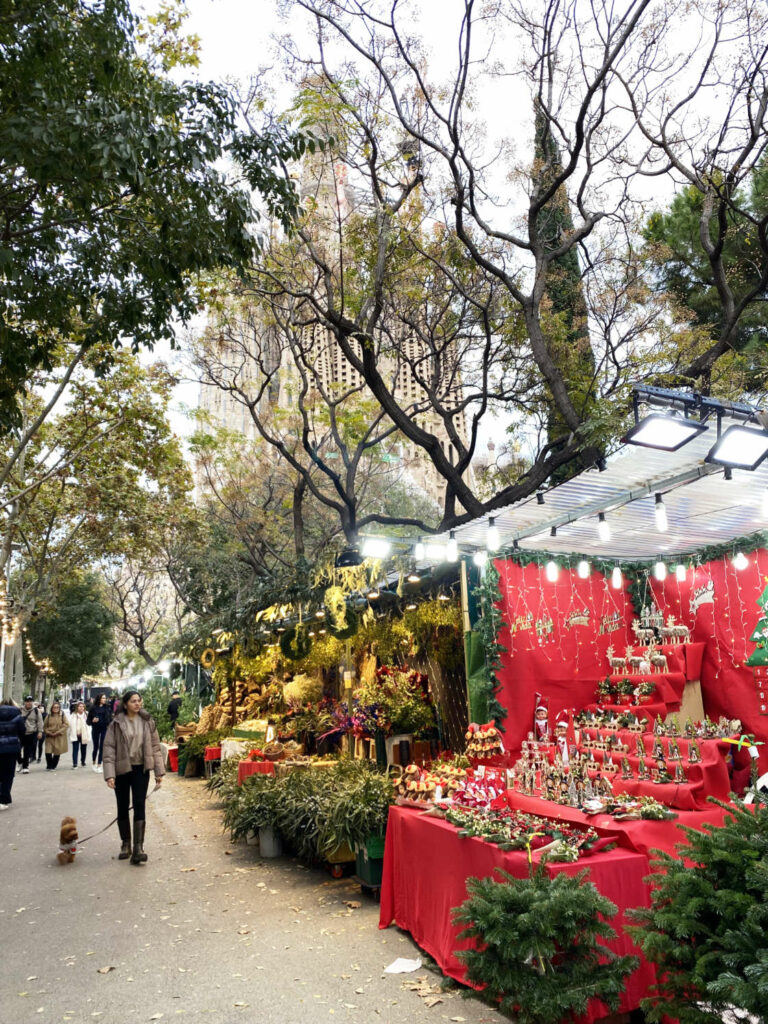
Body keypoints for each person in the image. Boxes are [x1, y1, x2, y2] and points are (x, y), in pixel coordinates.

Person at [103, 691, 164, 864]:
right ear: (125, 704)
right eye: (133, 701)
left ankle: (138, 847)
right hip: (122, 770)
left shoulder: (147, 722)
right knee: (122, 806)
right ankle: (126, 843)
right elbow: (109, 749)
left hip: (140, 769)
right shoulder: (116, 724)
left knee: (139, 804)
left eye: (139, 701)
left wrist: (158, 772)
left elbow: (155, 747)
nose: (137, 704)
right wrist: (110, 775)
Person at [0, 699, 25, 809]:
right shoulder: (17, 713)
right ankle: (4, 800)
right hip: (11, 748)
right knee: (8, 774)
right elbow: (22, 730)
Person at [87, 694, 112, 773]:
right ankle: (94, 762)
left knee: (102, 747)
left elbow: (110, 719)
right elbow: (88, 721)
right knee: (96, 747)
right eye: (103, 698)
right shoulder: (93, 708)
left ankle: (99, 764)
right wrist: (92, 721)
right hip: (95, 729)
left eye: (105, 698)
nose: (104, 699)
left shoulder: (107, 708)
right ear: (99, 699)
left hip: (104, 729)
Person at [19, 695, 44, 772]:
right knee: (16, 750)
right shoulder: (19, 710)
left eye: (30, 701)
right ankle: (20, 762)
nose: (29, 703)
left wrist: (40, 732)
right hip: (20, 733)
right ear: (24, 702)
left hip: (31, 733)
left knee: (27, 751)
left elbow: (40, 722)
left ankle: (25, 767)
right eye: (27, 701)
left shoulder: (36, 710)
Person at [44, 701, 69, 771]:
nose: (56, 708)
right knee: (48, 752)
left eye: (57, 707)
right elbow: (44, 727)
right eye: (54, 707)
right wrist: (48, 732)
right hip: (50, 736)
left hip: (58, 736)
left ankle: (53, 766)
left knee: (57, 751)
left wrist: (58, 732)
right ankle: (49, 765)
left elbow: (66, 725)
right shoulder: (48, 716)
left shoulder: (62, 715)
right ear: (52, 708)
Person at [66, 701, 90, 768]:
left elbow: (89, 724)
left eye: (82, 706)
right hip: (75, 734)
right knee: (75, 749)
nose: (81, 708)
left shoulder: (86, 714)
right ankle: (75, 763)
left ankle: (83, 762)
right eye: (80, 706)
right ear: (77, 707)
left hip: (84, 735)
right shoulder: (73, 715)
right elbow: (69, 724)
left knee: (83, 750)